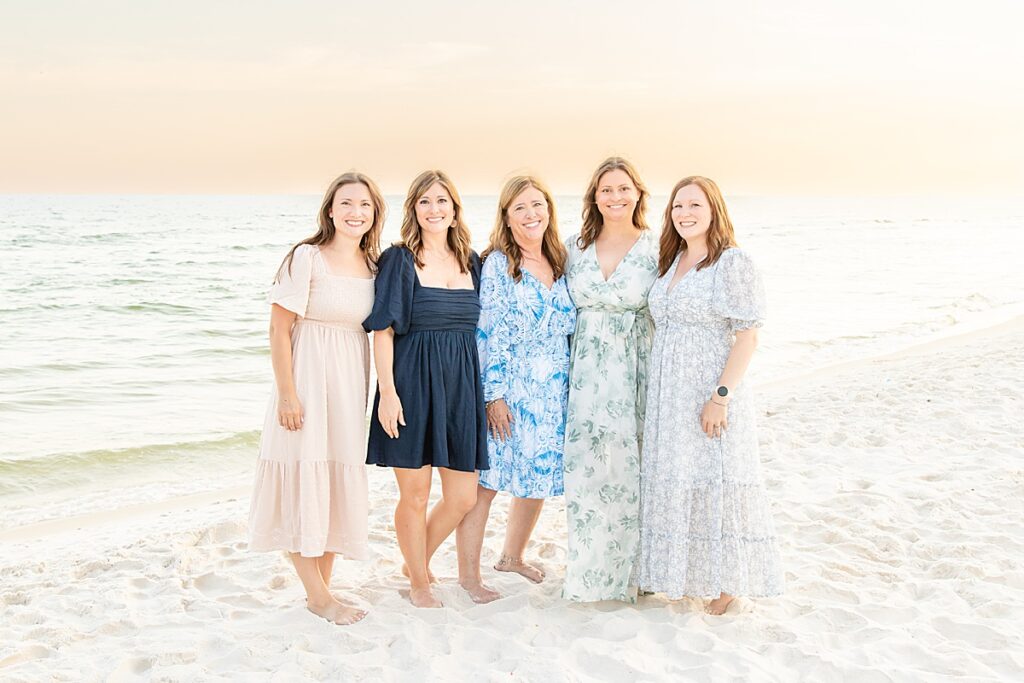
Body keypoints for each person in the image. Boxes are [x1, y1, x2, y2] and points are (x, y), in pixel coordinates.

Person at [635, 176, 784, 614]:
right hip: (669, 394)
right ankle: (687, 576)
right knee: (683, 481)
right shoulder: (672, 261)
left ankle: (727, 584)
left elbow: (747, 336)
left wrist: (720, 397)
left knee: (717, 481)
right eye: (678, 205)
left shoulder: (731, 263)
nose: (685, 213)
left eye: (695, 204)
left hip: (707, 390)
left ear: (714, 209)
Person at [248, 171, 386, 626]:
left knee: (330, 485)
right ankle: (319, 597)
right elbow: (278, 329)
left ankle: (320, 592)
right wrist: (288, 394)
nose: (355, 213)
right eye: (346, 203)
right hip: (306, 381)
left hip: (348, 383)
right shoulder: (306, 257)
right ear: (330, 210)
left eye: (364, 205)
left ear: (374, 213)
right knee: (301, 480)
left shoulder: (374, 266)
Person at [362, 170, 488, 608]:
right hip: (411, 383)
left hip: (460, 386)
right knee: (414, 495)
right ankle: (419, 579)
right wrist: (389, 393)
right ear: (414, 210)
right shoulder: (400, 259)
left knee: (462, 496)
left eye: (442, 201)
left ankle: (416, 559)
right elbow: (382, 331)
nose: (434, 209)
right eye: (425, 202)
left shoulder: (472, 260)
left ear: (455, 209)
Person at [456, 176, 576, 595]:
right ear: (506, 217)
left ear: (549, 210)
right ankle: (469, 577)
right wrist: (494, 396)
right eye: (521, 207)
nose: (531, 214)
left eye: (538, 205)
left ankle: (512, 556)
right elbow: (487, 334)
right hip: (512, 389)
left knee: (538, 475)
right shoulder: (498, 265)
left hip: (554, 389)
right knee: (486, 484)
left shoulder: (561, 261)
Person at [562, 157, 659, 603]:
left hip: (635, 368)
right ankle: (590, 575)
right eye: (606, 190)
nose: (615, 197)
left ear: (637, 193)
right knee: (587, 472)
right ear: (594, 197)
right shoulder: (574, 246)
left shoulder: (659, 249)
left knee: (631, 470)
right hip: (583, 372)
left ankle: (637, 573)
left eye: (623, 188)